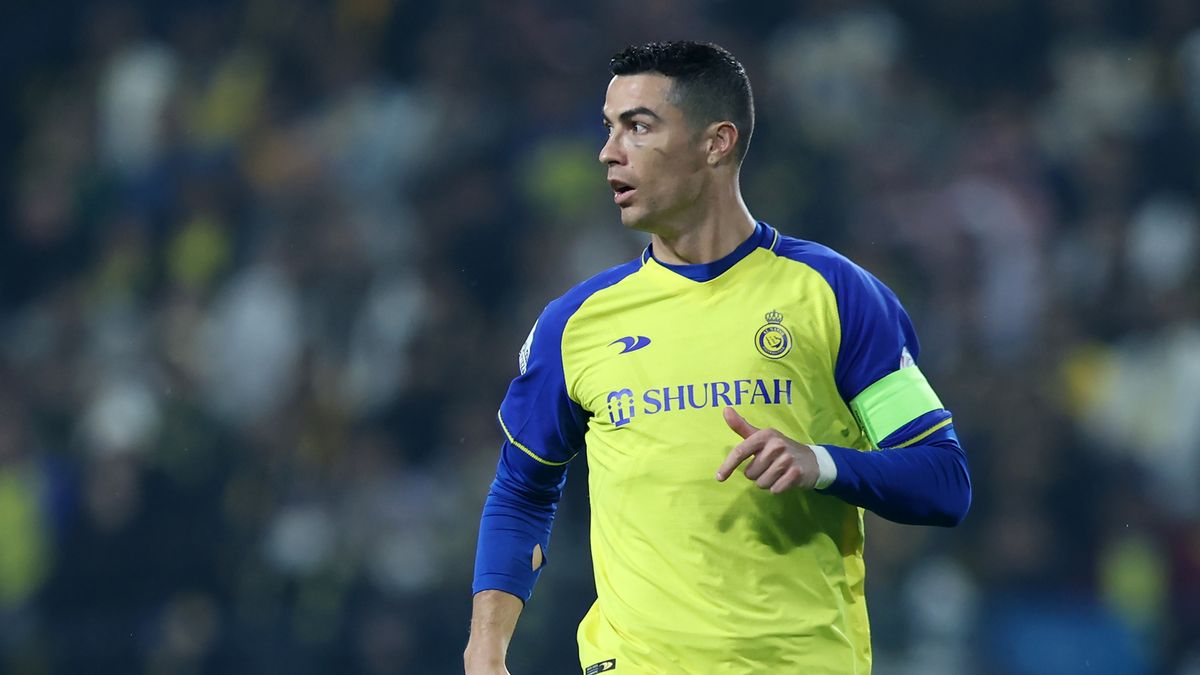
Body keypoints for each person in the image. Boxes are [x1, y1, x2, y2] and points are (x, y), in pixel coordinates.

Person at [464, 41, 971, 674]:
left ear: (716, 142)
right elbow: (521, 488)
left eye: (638, 127)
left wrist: (822, 463)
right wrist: (486, 646)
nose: (607, 151)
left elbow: (943, 481)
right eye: (608, 127)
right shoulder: (576, 323)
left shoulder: (835, 295)